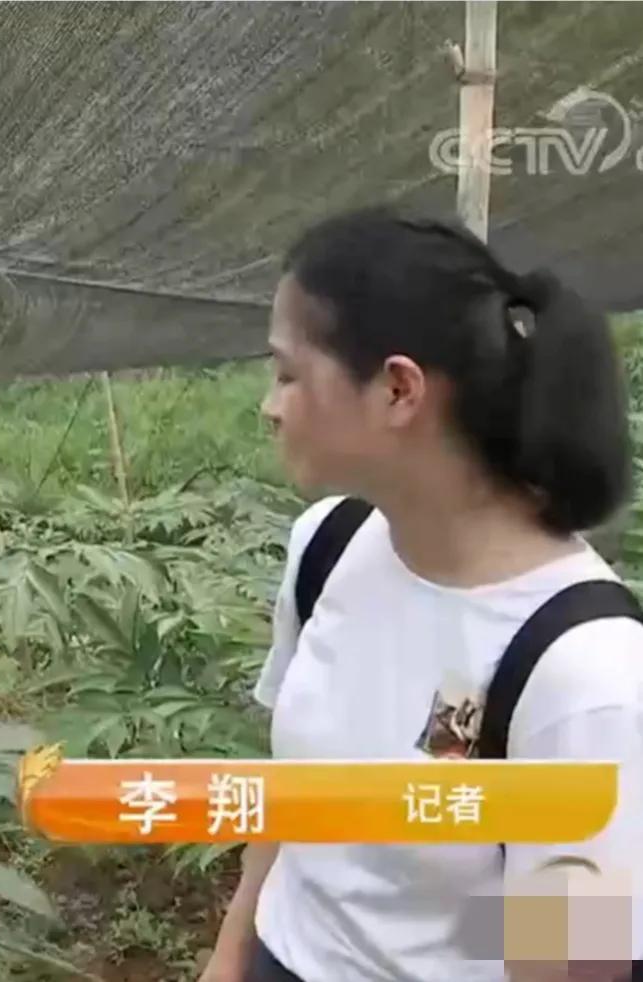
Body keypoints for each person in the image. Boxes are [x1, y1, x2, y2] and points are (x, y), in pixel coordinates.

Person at [201, 206, 643, 981]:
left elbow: (568, 966)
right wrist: (229, 956)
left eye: (287, 374)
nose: (270, 406)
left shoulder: (584, 673)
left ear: (398, 390)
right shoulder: (328, 546)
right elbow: (290, 796)